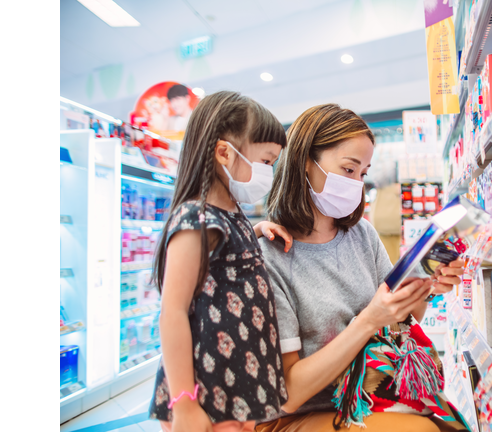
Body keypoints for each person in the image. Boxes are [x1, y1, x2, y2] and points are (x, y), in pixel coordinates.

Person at [255, 104, 464, 432]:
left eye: (363, 173)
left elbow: (399, 324)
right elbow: (288, 396)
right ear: (305, 163)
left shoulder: (361, 234)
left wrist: (426, 285)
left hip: (368, 397)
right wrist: (367, 321)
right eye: (349, 170)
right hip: (300, 413)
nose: (357, 184)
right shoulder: (271, 254)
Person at [147, 91, 294, 432]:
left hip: (234, 389)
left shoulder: (229, 213)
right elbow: (172, 312)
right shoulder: (197, 220)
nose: (269, 173)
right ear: (225, 153)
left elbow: (224, 261)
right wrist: (184, 404)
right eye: (266, 161)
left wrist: (256, 230)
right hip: (208, 397)